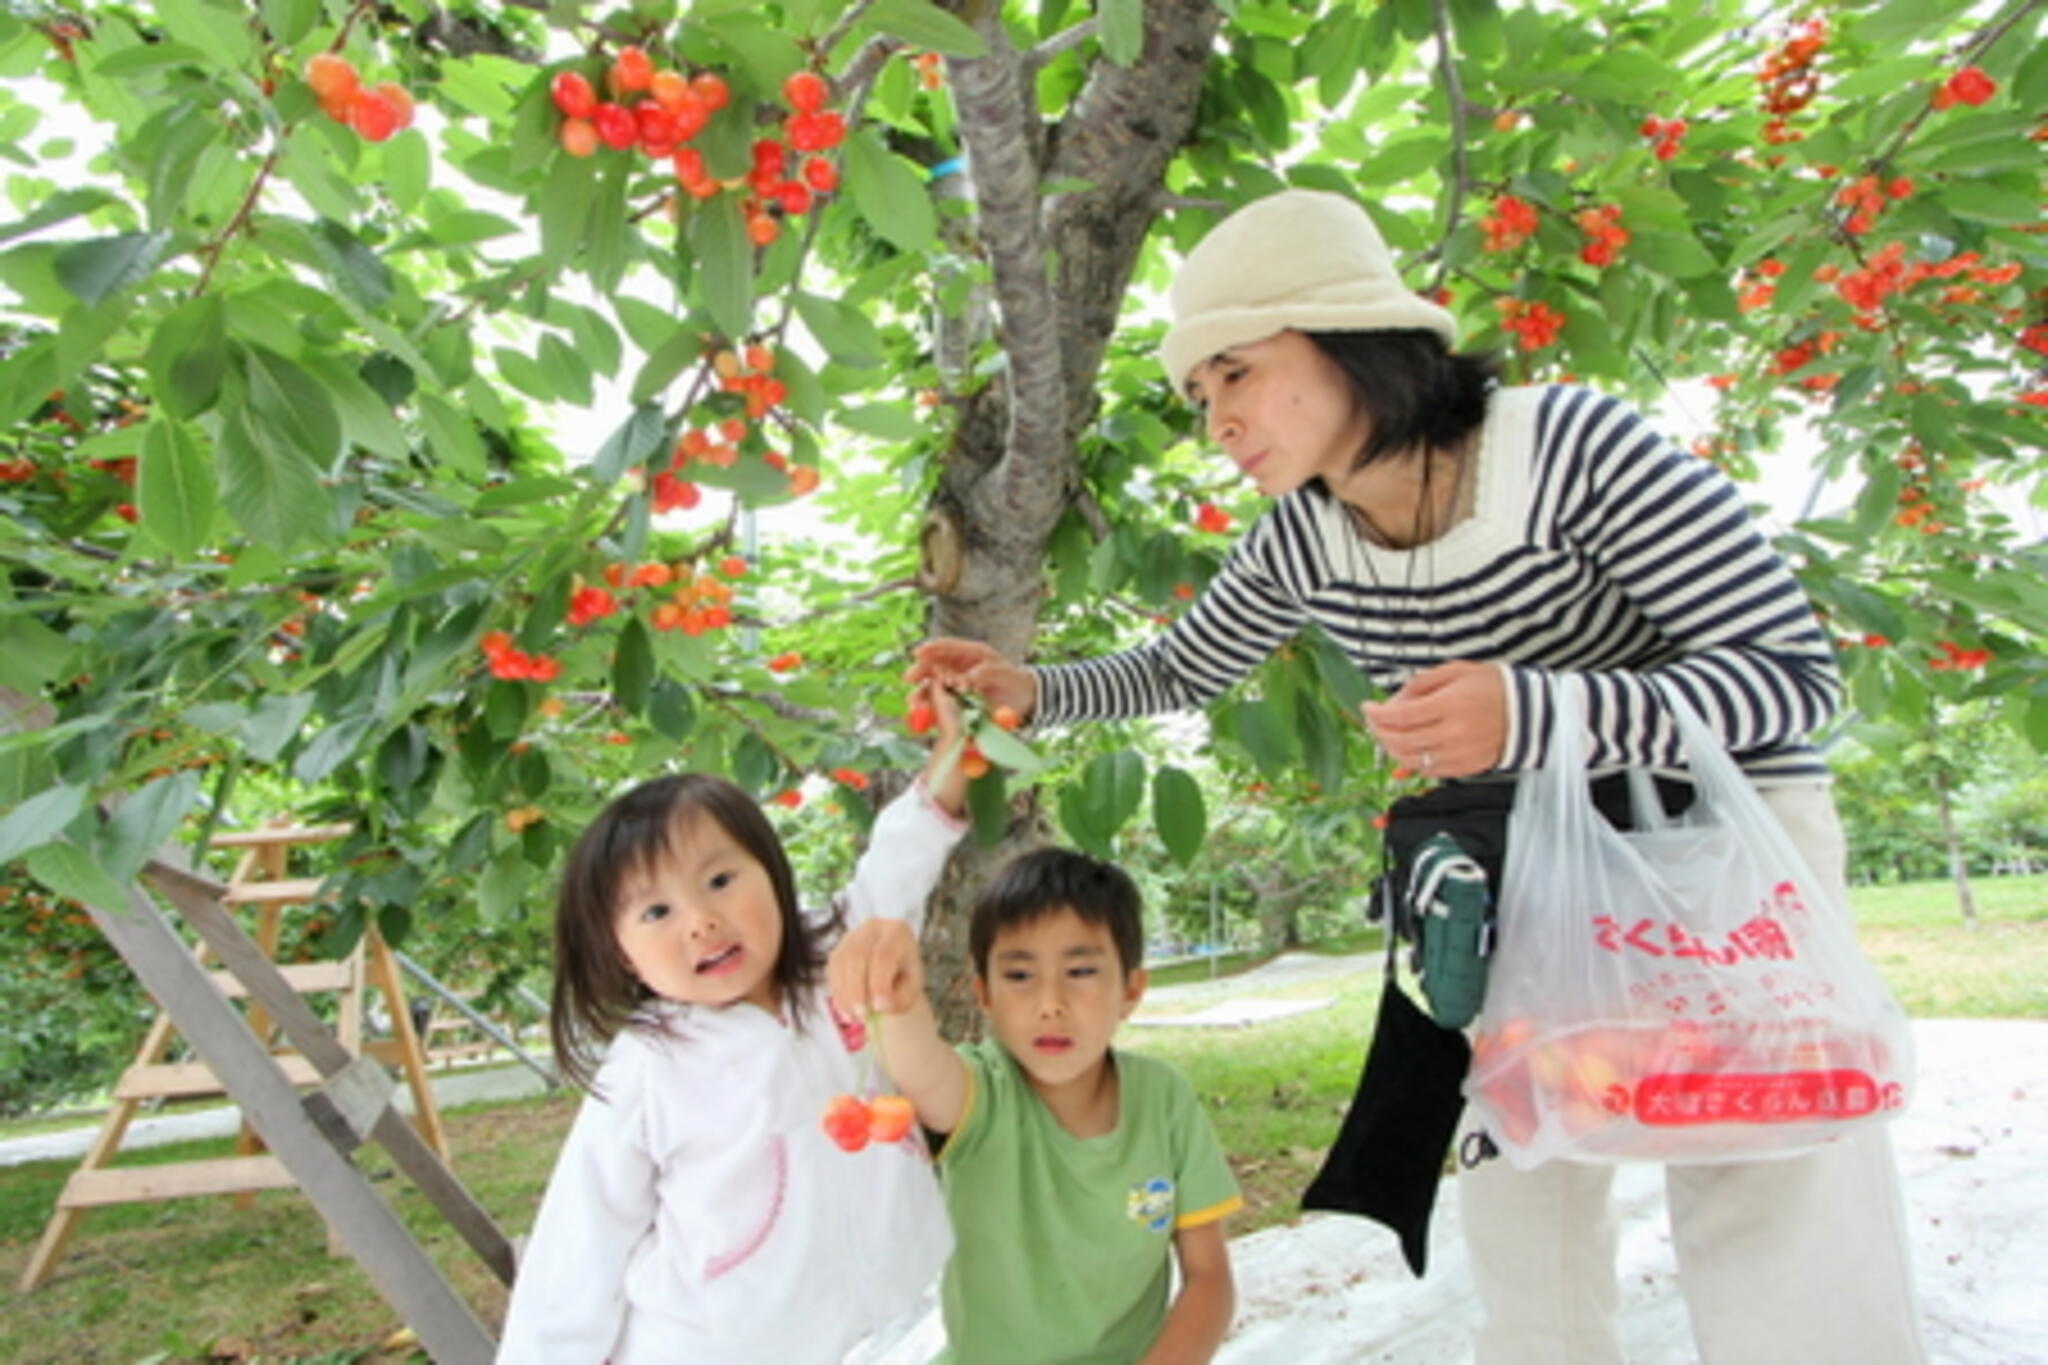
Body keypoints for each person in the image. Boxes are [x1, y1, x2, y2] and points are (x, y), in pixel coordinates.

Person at [909, 188, 1926, 1363]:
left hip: (1710, 860)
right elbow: (1183, 665)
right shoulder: (1301, 532)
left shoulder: (1572, 450)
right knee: (1521, 1185)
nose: (1216, 419)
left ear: (1348, 340)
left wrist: (1534, 712)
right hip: (1514, 879)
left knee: (1764, 1178)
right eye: (1198, 395)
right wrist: (1032, 689)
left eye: (1234, 372)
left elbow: (1792, 679)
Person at [496, 685, 970, 1364]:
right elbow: (580, 1241)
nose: (700, 920)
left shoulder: (841, 957)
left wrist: (956, 751)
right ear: (619, 952)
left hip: (897, 1317)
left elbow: (902, 857)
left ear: (772, 874)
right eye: (655, 912)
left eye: (720, 880)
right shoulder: (649, 1063)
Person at [828, 845, 1241, 1363]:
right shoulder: (982, 1094)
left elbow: (1209, 1276)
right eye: (1019, 976)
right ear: (984, 995)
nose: (1050, 1004)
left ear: (1131, 990)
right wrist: (893, 994)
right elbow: (919, 1067)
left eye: (1081, 972)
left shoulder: (1163, 1099)